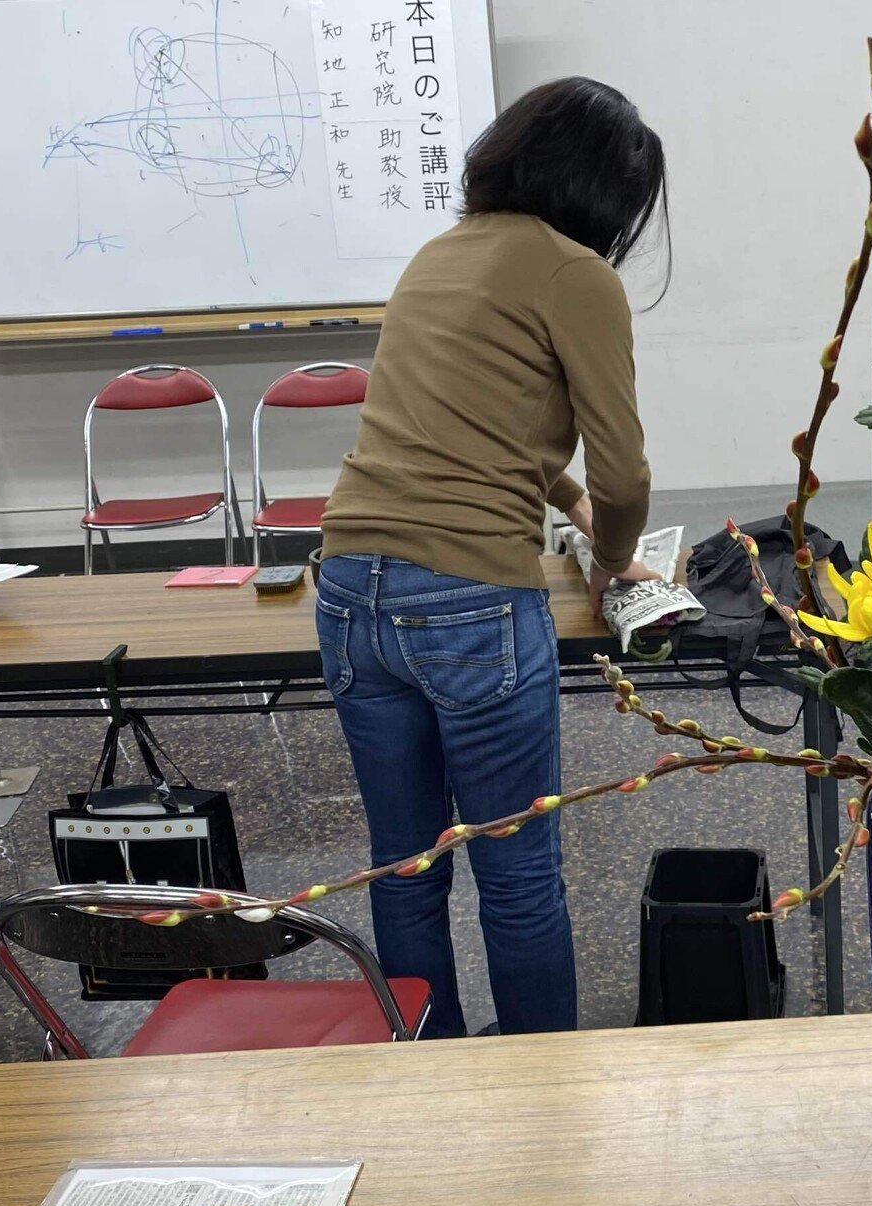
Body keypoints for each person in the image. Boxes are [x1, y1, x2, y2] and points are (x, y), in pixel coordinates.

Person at [316, 77, 669, 1038]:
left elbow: (464, 423)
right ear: (608, 195)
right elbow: (626, 469)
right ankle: (539, 1097)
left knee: (405, 862)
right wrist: (612, 555)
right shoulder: (574, 274)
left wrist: (570, 504)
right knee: (516, 872)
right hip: (469, 596)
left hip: (349, 589)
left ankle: (427, 1073)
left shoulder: (437, 257)